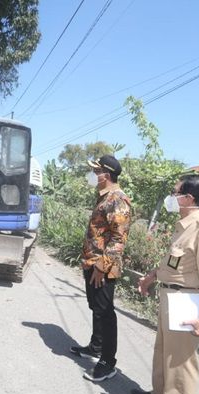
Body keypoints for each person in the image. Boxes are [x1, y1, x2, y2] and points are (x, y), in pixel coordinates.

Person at [133, 174, 199, 394]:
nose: (172, 198)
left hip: (187, 301)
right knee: (164, 351)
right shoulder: (184, 226)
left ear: (189, 198)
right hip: (170, 296)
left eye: (175, 193)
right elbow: (171, 263)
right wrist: (149, 278)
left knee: (181, 360)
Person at [71, 155, 131, 382]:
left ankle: (107, 362)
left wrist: (101, 266)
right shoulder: (104, 197)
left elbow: (118, 239)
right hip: (92, 263)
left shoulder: (117, 200)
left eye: (96, 172)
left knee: (105, 313)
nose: (94, 176)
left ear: (105, 175)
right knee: (96, 307)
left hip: (103, 267)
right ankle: (95, 348)